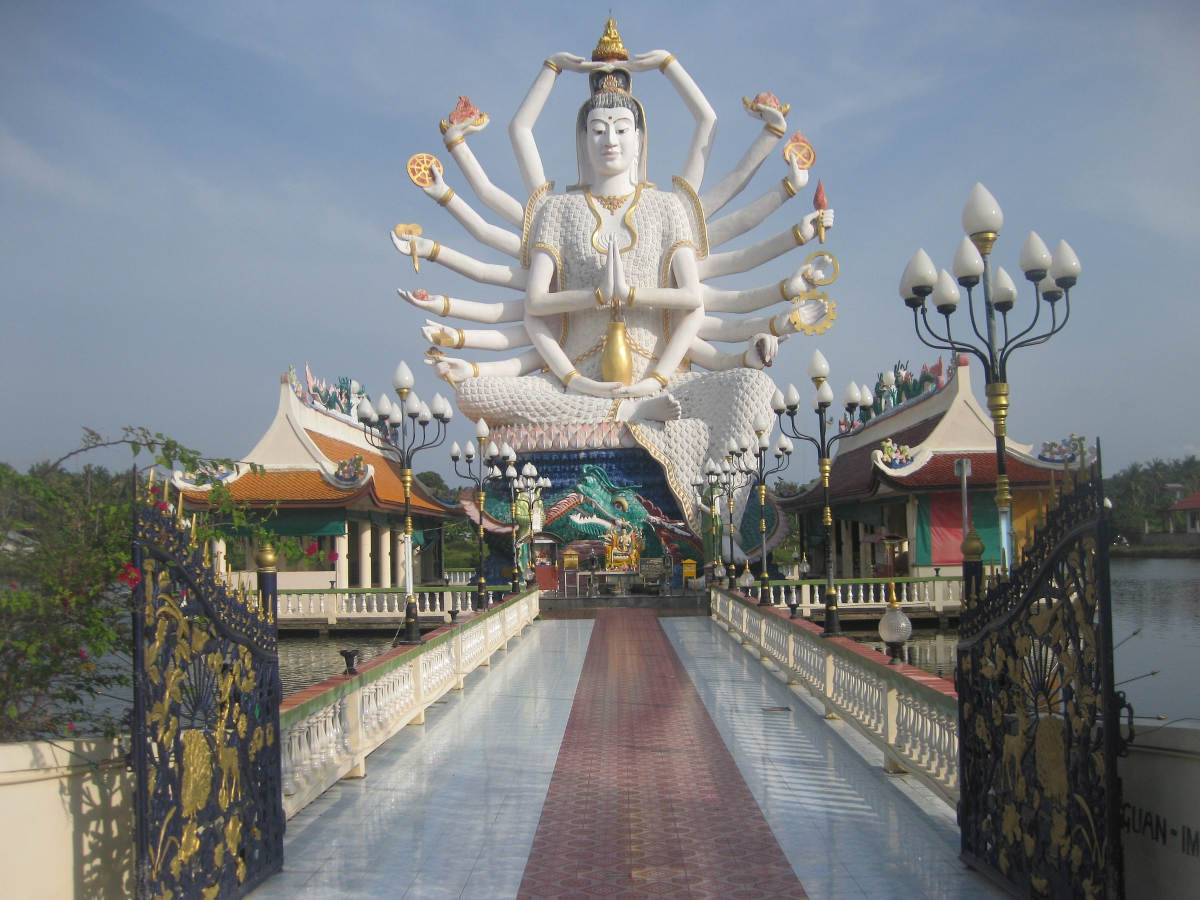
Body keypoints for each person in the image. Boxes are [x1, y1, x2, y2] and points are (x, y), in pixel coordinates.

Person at [391, 21, 836, 549]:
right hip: (572, 386)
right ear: (581, 137)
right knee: (476, 392)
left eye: (622, 127)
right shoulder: (558, 210)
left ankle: (718, 530)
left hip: (665, 379)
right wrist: (589, 332)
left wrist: (651, 363)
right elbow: (536, 306)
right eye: (598, 128)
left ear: (640, 137)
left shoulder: (667, 208)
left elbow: (692, 303)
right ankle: (629, 417)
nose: (610, 139)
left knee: (752, 390)